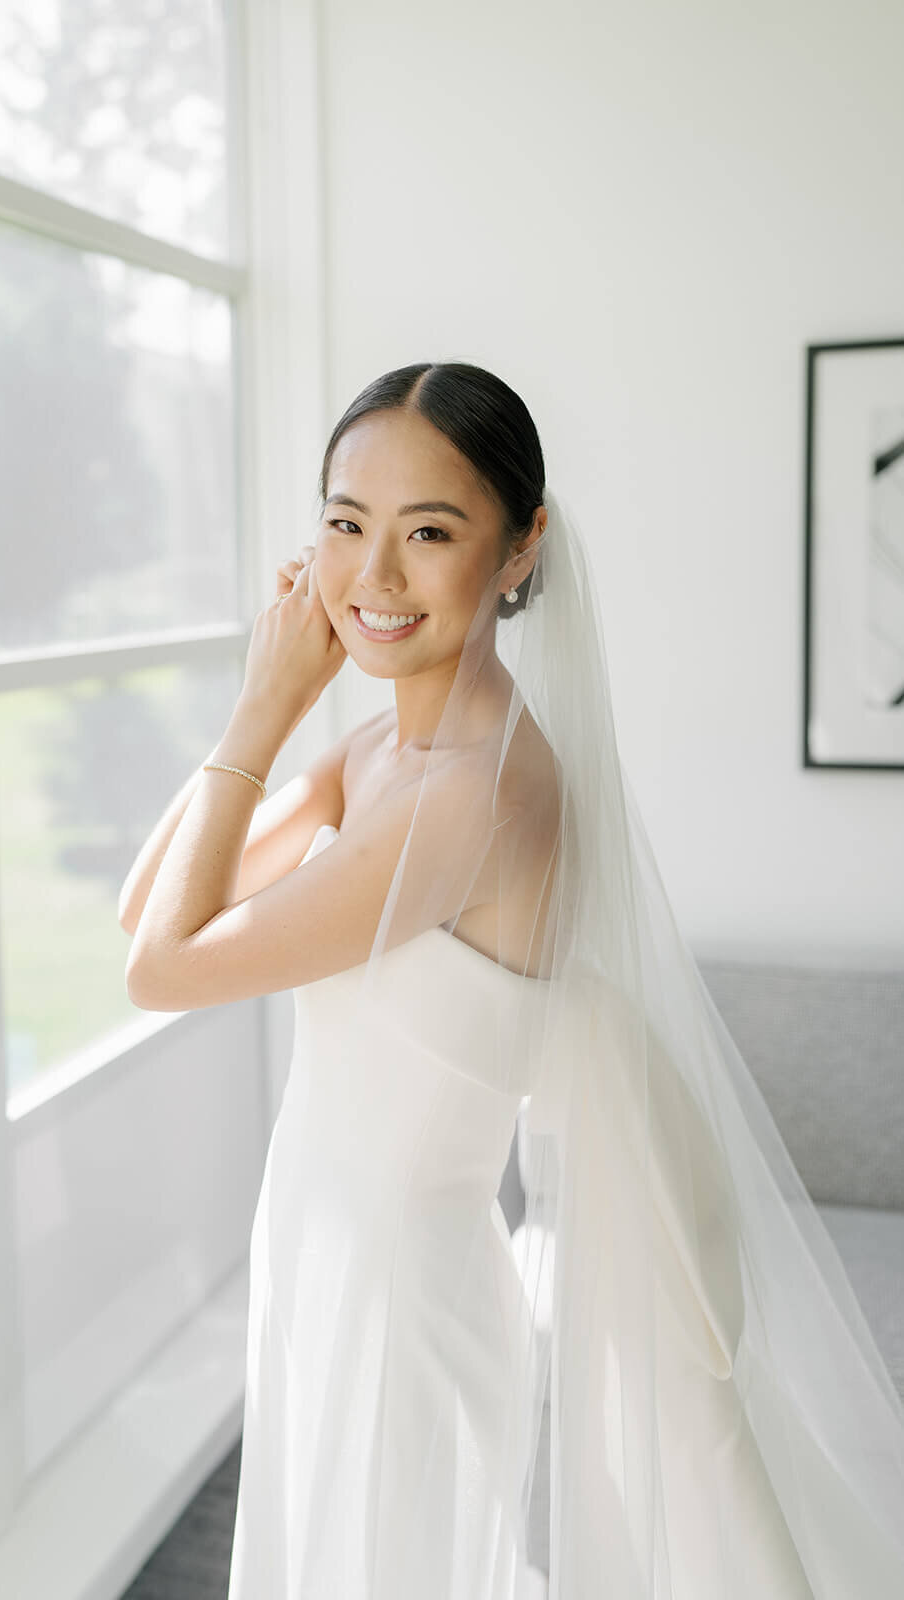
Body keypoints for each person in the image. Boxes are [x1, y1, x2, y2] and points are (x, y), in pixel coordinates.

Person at [120, 363, 904, 1599]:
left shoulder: (471, 795)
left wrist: (264, 709)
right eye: (343, 524)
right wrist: (279, 713)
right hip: (320, 1247)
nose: (371, 577)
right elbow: (150, 910)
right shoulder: (382, 745)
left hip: (402, 1296)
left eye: (427, 532)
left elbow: (160, 970)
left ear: (518, 548)